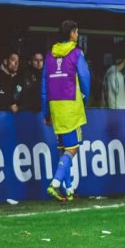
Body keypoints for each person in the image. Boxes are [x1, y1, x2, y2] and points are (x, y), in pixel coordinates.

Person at [42, 20, 91, 201]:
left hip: (55, 106)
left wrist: (46, 111)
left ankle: (69, 189)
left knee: (64, 149)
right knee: (72, 149)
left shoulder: (49, 56)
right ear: (71, 33)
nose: (77, 35)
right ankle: (55, 183)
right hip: (71, 106)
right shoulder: (76, 53)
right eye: (77, 32)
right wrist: (85, 96)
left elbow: (44, 86)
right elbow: (85, 77)